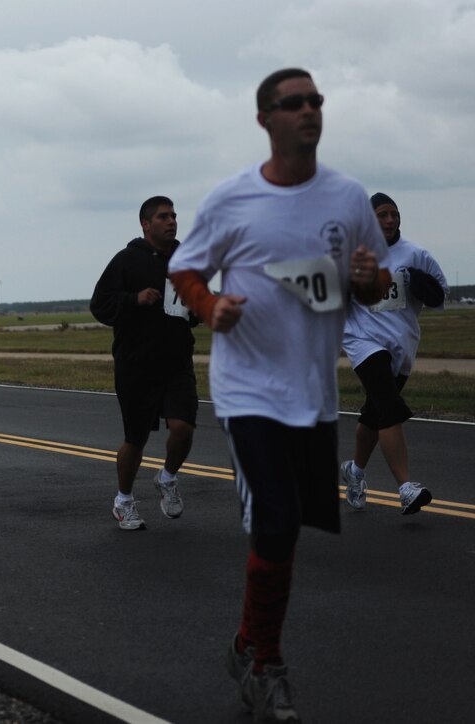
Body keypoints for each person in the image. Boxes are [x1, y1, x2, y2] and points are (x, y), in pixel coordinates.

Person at [168, 68, 390, 723]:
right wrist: (209, 306)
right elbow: (185, 267)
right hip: (246, 389)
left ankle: (246, 642)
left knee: (288, 533)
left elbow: (373, 287)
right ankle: (268, 665)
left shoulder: (347, 198)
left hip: (312, 391)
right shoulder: (232, 198)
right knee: (275, 517)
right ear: (266, 118)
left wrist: (368, 277)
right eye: (294, 103)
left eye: (316, 100)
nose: (310, 111)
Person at [90, 196, 198, 530]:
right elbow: (100, 304)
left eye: (174, 216)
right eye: (163, 217)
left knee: (183, 427)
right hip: (136, 364)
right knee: (135, 440)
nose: (171, 222)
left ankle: (167, 477)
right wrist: (133, 299)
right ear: (145, 224)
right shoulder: (126, 261)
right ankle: (124, 500)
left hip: (177, 362)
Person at [340, 193, 448, 515]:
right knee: (389, 405)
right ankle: (406, 487)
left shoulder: (416, 255)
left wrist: (423, 286)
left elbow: (440, 296)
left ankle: (355, 471)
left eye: (393, 214)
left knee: (374, 416)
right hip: (363, 341)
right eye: (382, 215)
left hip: (401, 345)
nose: (389, 220)